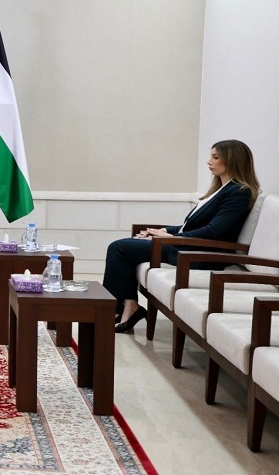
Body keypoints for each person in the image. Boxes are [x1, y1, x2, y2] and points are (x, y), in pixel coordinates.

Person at [102, 139, 260, 333]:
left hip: (197, 254)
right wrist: (164, 231)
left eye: (215, 157)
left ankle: (114, 310)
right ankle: (128, 306)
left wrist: (170, 238)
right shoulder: (221, 189)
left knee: (119, 248)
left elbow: (214, 231)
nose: (209, 161)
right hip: (186, 246)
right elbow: (191, 226)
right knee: (126, 247)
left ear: (232, 160)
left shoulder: (239, 192)